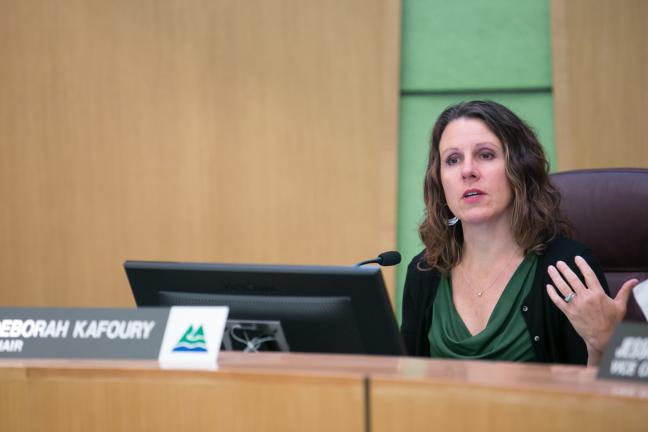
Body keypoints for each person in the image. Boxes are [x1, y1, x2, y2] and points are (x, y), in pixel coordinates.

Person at [401, 100, 639, 366]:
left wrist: (604, 344)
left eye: (486, 155)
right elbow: (404, 387)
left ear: (519, 168)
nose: (467, 171)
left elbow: (599, 402)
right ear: (439, 180)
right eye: (453, 160)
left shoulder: (568, 270)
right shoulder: (425, 272)